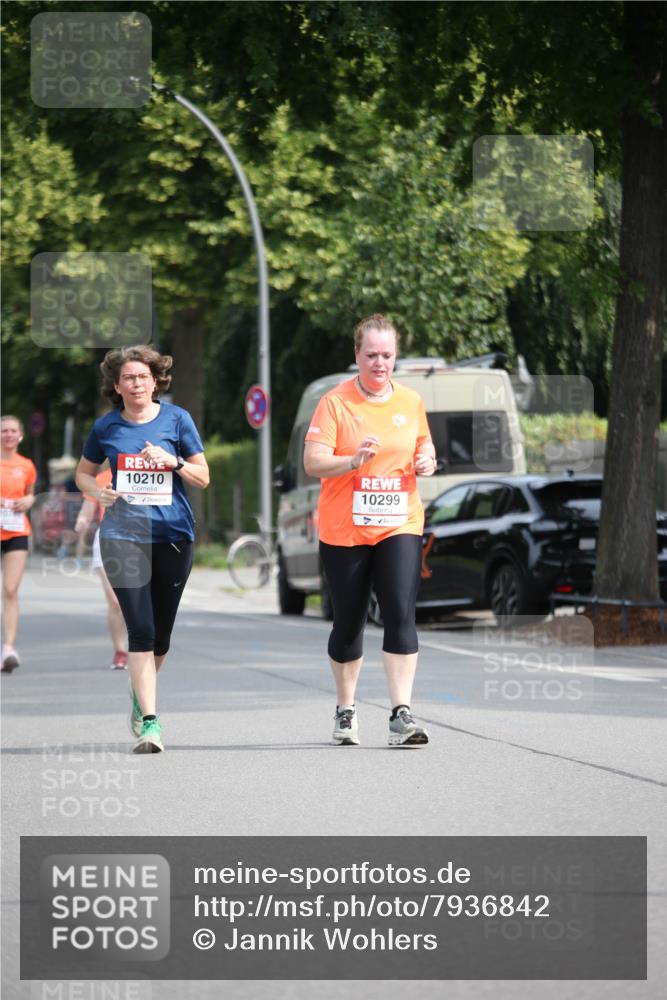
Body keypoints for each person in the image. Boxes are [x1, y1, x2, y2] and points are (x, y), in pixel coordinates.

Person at [304, 314, 437, 747]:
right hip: (345, 529)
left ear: (395, 356)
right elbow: (312, 462)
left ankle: (402, 715)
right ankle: (346, 709)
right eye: (371, 355)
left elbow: (424, 444)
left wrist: (427, 461)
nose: (380, 363)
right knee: (349, 622)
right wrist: (351, 462)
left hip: (400, 522)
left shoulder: (411, 401)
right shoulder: (335, 403)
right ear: (357, 356)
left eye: (387, 355)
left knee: (400, 610)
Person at [75, 345, 209, 754]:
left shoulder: (177, 420)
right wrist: (100, 490)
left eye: (143, 376)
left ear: (156, 381)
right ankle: (151, 721)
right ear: (117, 385)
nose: (136, 383)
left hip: (172, 534)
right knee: (141, 629)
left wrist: (173, 462)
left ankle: (140, 694)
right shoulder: (106, 428)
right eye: (128, 378)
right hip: (123, 536)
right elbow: (82, 474)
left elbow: (203, 477)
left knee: (161, 636)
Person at [74, 466, 129, 670]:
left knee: (139, 597)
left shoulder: (143, 473)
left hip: (139, 538)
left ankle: (143, 648)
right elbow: (88, 509)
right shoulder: (100, 478)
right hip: (108, 538)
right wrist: (81, 521)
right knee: (115, 601)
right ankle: (120, 651)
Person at [1, 415, 37, 673]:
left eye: (14, 430)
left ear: (21, 435)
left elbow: (30, 493)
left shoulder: (27, 465)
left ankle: (9, 647)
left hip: (16, 530)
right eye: (4, 431)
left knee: (11, 590)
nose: (9, 435)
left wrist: (29, 501)